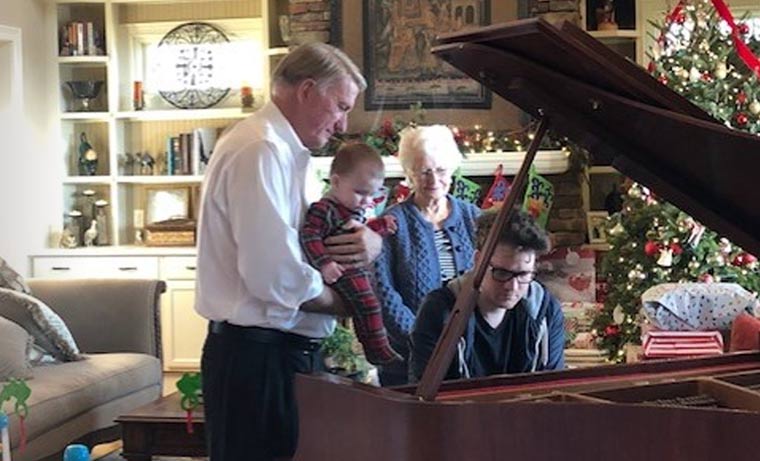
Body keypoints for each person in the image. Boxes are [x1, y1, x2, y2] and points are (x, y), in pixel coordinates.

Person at [194, 42, 381, 461]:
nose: (342, 123)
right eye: (340, 106)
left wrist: (370, 242)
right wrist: (349, 304)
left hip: (273, 356)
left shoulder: (285, 152)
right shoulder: (260, 149)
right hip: (257, 358)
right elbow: (273, 275)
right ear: (307, 90)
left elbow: (316, 242)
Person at [373, 124, 480, 386]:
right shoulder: (391, 222)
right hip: (408, 359)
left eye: (441, 170)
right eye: (424, 172)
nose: (433, 180)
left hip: (470, 353)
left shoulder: (473, 217)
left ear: (452, 169)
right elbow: (383, 294)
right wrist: (424, 339)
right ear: (409, 174)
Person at [409, 209, 565, 383]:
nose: (512, 286)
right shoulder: (440, 311)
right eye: (501, 273)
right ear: (478, 262)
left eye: (523, 275)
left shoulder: (546, 310)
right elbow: (424, 393)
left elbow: (552, 386)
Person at [300, 142, 402, 365]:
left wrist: (381, 226)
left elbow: (359, 233)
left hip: (354, 269)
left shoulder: (352, 209)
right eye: (360, 193)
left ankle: (373, 345)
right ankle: (377, 349)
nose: (366, 202)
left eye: (372, 196)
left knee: (370, 304)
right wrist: (325, 263)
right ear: (336, 182)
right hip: (340, 270)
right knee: (367, 304)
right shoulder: (325, 209)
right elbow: (310, 236)